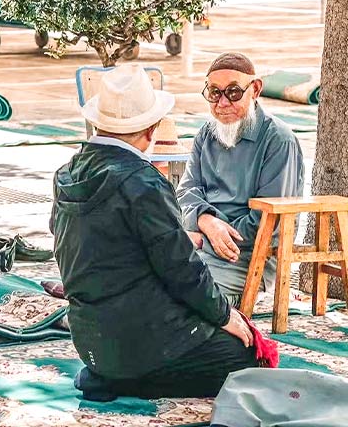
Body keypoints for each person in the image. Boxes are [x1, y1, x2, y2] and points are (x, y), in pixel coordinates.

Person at [50, 65, 258, 401]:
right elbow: (182, 269)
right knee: (244, 356)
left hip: (91, 340)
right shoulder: (143, 182)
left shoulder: (66, 174)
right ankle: (128, 380)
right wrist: (224, 315)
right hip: (144, 339)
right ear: (151, 130)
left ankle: (109, 375)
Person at [177, 53, 304, 307]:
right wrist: (205, 221)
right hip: (198, 244)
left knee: (181, 295)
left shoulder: (278, 140)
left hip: (243, 258)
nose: (222, 102)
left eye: (233, 92)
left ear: (255, 89)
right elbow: (187, 192)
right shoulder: (206, 133)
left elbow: (269, 224)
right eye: (214, 93)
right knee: (135, 273)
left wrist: (209, 238)